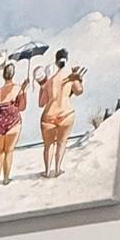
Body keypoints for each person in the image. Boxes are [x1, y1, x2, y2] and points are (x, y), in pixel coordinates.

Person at [37, 49, 85, 177]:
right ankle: (58, 169)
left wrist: (41, 88)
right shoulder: (71, 75)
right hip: (66, 114)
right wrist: (79, 80)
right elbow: (79, 91)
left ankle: (47, 171)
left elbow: (41, 103)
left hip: (48, 116)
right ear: (66, 60)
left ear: (56, 62)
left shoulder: (50, 81)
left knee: (48, 146)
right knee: (61, 142)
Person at [0, 61, 29, 186]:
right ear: (13, 74)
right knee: (9, 152)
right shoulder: (18, 88)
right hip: (13, 123)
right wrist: (24, 91)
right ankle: (5, 178)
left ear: (3, 75)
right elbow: (22, 107)